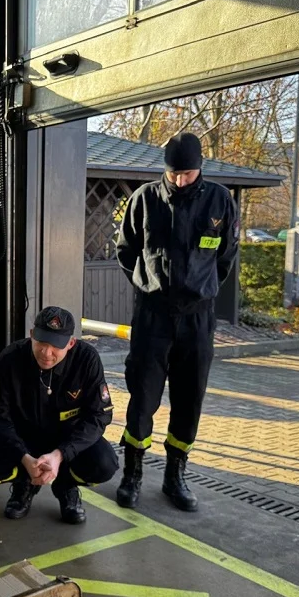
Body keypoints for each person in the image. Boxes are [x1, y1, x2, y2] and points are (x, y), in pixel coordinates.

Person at [114, 132, 238, 512]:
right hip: (153, 315)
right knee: (143, 397)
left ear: (200, 167)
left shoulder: (220, 201)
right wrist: (149, 285)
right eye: (174, 175)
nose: (180, 181)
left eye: (187, 173)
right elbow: (126, 251)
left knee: (189, 400)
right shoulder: (144, 200)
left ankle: (174, 476)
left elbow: (226, 255)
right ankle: (132, 475)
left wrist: (203, 288)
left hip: (197, 317)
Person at [0, 307, 119, 525]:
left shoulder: (87, 360)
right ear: (31, 335)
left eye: (56, 346)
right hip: (23, 439)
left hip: (67, 440)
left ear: (70, 343)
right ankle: (25, 484)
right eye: (41, 343)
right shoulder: (10, 358)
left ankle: (66, 486)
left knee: (105, 464)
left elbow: (98, 417)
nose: (46, 353)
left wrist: (60, 455)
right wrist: (24, 457)